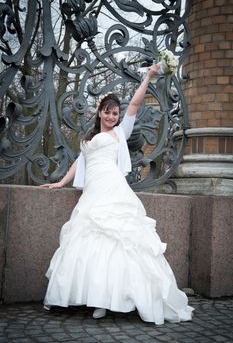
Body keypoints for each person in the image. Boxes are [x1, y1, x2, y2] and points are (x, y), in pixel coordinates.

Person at [42, 64, 194, 324]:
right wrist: (60, 183)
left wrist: (147, 76)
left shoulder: (119, 133)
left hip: (113, 188)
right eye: (108, 112)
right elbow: (79, 163)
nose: (112, 116)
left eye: (115, 113)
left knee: (120, 240)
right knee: (89, 239)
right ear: (99, 113)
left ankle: (113, 300)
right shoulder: (88, 138)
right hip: (93, 192)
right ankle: (95, 297)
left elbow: (134, 105)